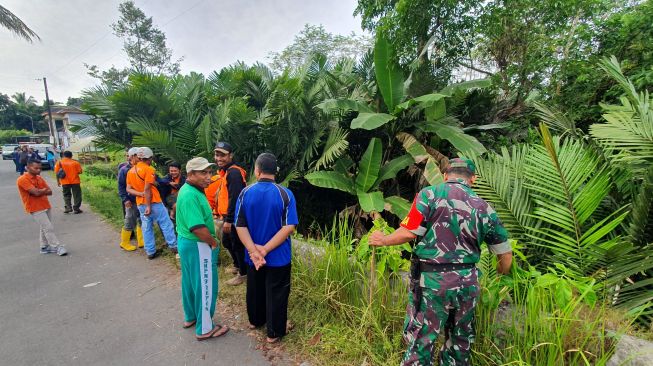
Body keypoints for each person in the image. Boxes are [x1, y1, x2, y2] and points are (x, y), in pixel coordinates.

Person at [368, 158, 513, 366]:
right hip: (468, 284)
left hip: (433, 281)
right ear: (473, 179)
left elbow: (409, 233)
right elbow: (505, 256)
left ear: (445, 176)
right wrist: (500, 275)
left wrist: (383, 240)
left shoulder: (429, 195)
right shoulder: (484, 208)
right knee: (460, 342)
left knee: (422, 340)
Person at [235, 153, 298, 344]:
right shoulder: (285, 194)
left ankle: (255, 320)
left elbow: (240, 225)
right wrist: (266, 250)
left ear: (257, 170)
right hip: (278, 256)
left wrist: (255, 252)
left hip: (253, 256)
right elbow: (289, 227)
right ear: (275, 172)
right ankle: (274, 332)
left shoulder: (245, 192)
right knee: (277, 292)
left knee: (255, 288)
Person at [175, 157, 230, 341]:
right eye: (203, 173)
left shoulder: (189, 190)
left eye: (209, 172)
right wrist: (213, 243)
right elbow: (197, 228)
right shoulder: (191, 194)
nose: (208, 177)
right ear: (191, 174)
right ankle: (205, 327)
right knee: (206, 285)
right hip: (198, 244)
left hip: (187, 243)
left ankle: (191, 317)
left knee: (190, 282)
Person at [126, 147, 177, 259]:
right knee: (166, 224)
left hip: (140, 204)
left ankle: (150, 251)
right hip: (153, 202)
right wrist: (148, 204)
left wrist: (140, 194)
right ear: (150, 158)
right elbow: (148, 189)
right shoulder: (149, 170)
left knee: (146, 227)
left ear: (139, 157)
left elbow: (128, 189)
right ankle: (173, 246)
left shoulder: (131, 171)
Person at [210, 141, 248, 286]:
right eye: (216, 154)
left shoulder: (233, 173)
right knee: (227, 241)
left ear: (230, 156)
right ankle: (237, 265)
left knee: (237, 244)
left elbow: (235, 198)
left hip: (235, 216)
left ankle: (243, 274)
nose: (218, 158)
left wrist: (229, 220)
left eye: (222, 155)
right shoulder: (226, 172)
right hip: (229, 215)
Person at [16, 159, 67, 256]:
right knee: (48, 228)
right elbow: (36, 192)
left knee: (44, 227)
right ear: (28, 167)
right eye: (36, 168)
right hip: (34, 207)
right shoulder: (22, 179)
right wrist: (41, 191)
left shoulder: (39, 178)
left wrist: (40, 191)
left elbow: (50, 192)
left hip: (45, 205)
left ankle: (44, 247)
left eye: (40, 168)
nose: (39, 170)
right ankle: (57, 247)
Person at [117, 147, 144, 251]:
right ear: (132, 156)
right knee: (130, 221)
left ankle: (141, 241)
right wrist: (125, 199)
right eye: (138, 156)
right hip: (131, 200)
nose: (140, 158)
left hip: (141, 200)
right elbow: (121, 186)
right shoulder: (124, 170)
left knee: (141, 220)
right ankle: (124, 242)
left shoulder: (141, 167)